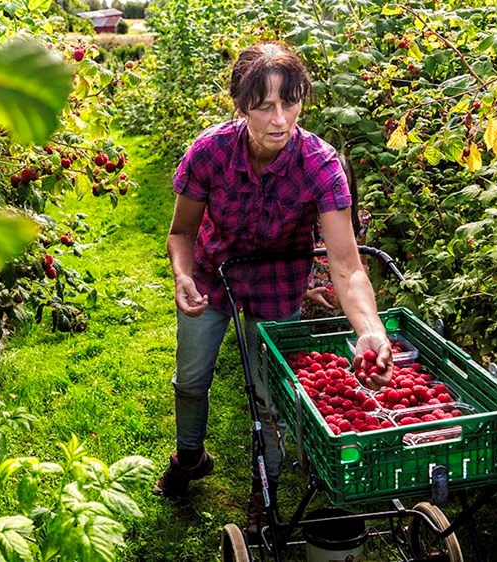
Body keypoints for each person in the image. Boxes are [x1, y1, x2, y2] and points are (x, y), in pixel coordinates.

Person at [151, 41, 394, 534]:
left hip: (280, 286)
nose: (279, 119)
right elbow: (181, 233)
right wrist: (182, 274)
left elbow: (347, 268)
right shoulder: (211, 152)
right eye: (264, 106)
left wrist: (369, 329)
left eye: (290, 102)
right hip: (213, 279)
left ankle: (266, 489)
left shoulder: (319, 165)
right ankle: (191, 457)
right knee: (191, 380)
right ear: (241, 106)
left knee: (271, 398)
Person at [302, 153, 374, 319]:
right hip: (307, 308)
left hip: (344, 307)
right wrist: (306, 293)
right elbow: (287, 265)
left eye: (340, 180)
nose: (335, 186)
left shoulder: (359, 221)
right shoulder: (305, 219)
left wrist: (358, 291)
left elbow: (362, 262)